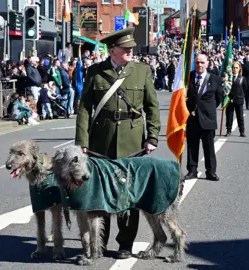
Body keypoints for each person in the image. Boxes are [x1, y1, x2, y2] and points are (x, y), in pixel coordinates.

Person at [75, 27, 161, 259]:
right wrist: (82, 141)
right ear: (113, 50)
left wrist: (152, 137)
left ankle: (125, 243)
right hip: (101, 142)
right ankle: (99, 243)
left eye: (131, 47)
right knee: (101, 194)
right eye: (126, 48)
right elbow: (84, 109)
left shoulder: (142, 71)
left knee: (127, 195)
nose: (131, 51)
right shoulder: (96, 71)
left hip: (132, 143)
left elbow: (152, 106)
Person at [184, 53, 223, 181]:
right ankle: (192, 170)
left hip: (208, 119)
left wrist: (208, 108)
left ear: (207, 63)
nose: (199, 65)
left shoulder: (215, 79)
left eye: (202, 62)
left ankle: (211, 171)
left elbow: (219, 98)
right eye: (197, 62)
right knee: (192, 146)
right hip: (192, 119)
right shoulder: (188, 78)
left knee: (209, 148)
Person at [225, 61, 247, 137]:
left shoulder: (242, 78)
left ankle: (242, 131)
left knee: (240, 116)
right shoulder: (228, 78)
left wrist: (240, 96)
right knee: (229, 116)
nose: (234, 69)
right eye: (233, 67)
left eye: (236, 68)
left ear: (239, 68)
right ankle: (228, 130)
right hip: (230, 99)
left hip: (239, 99)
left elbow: (245, 88)